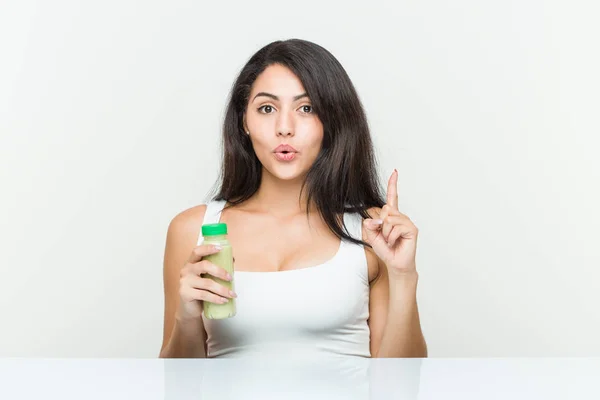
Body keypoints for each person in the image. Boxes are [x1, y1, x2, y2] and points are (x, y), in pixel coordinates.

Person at [159, 39, 427, 358]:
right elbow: (177, 386)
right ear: (244, 121)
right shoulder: (193, 230)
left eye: (306, 108)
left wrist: (403, 276)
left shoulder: (373, 231)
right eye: (267, 108)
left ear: (332, 120)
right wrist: (187, 318)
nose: (284, 128)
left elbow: (402, 384)